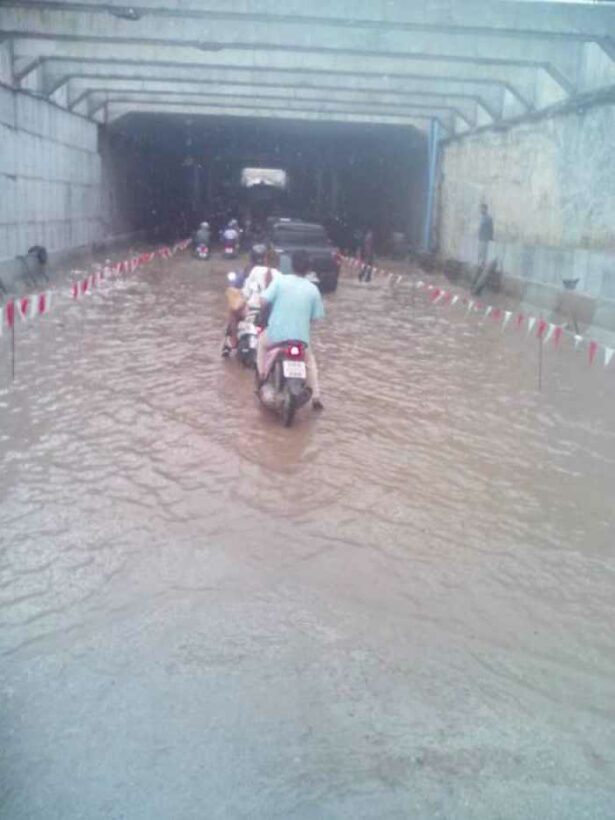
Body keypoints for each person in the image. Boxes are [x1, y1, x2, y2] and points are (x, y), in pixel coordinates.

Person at [258, 249, 325, 411]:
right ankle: (316, 397)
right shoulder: (313, 289)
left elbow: (263, 302)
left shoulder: (280, 281)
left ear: (292, 265)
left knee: (261, 344)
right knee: (310, 362)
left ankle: (261, 377)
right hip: (300, 339)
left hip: (275, 335)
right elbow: (316, 318)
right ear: (308, 269)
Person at [477, 204, 494, 269]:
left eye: (482, 208)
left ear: (486, 209)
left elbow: (491, 228)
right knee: (480, 252)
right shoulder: (481, 217)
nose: (481, 210)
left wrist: (490, 237)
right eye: (481, 208)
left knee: (484, 252)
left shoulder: (488, 218)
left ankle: (482, 265)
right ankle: (480, 264)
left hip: (485, 238)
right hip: (481, 238)